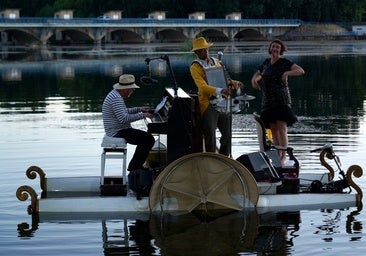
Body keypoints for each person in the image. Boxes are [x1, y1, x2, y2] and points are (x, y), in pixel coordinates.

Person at [251, 39, 305, 165]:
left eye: (277, 47)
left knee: (282, 129)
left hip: (281, 99)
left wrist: (286, 73)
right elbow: (259, 74)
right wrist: (254, 80)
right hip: (268, 100)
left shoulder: (284, 62)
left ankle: (284, 157)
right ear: (270, 48)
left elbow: (301, 71)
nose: (275, 49)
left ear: (280, 50)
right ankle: (278, 154)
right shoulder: (266, 63)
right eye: (273, 46)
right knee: (274, 130)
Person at [190, 37, 244, 156]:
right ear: (196, 52)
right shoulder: (195, 67)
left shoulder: (216, 61)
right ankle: (211, 158)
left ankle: (224, 157)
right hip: (208, 103)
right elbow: (202, 87)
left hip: (223, 101)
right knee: (210, 135)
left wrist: (235, 83)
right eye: (201, 50)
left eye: (206, 49)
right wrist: (221, 90)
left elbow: (225, 79)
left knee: (227, 133)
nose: (205, 51)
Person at [102, 74, 155, 172]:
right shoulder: (116, 98)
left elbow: (124, 111)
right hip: (117, 131)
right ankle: (135, 167)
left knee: (146, 138)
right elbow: (123, 118)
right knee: (148, 139)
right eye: (132, 89)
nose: (133, 91)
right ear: (126, 89)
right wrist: (143, 115)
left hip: (118, 129)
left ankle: (135, 166)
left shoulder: (115, 94)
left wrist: (140, 109)